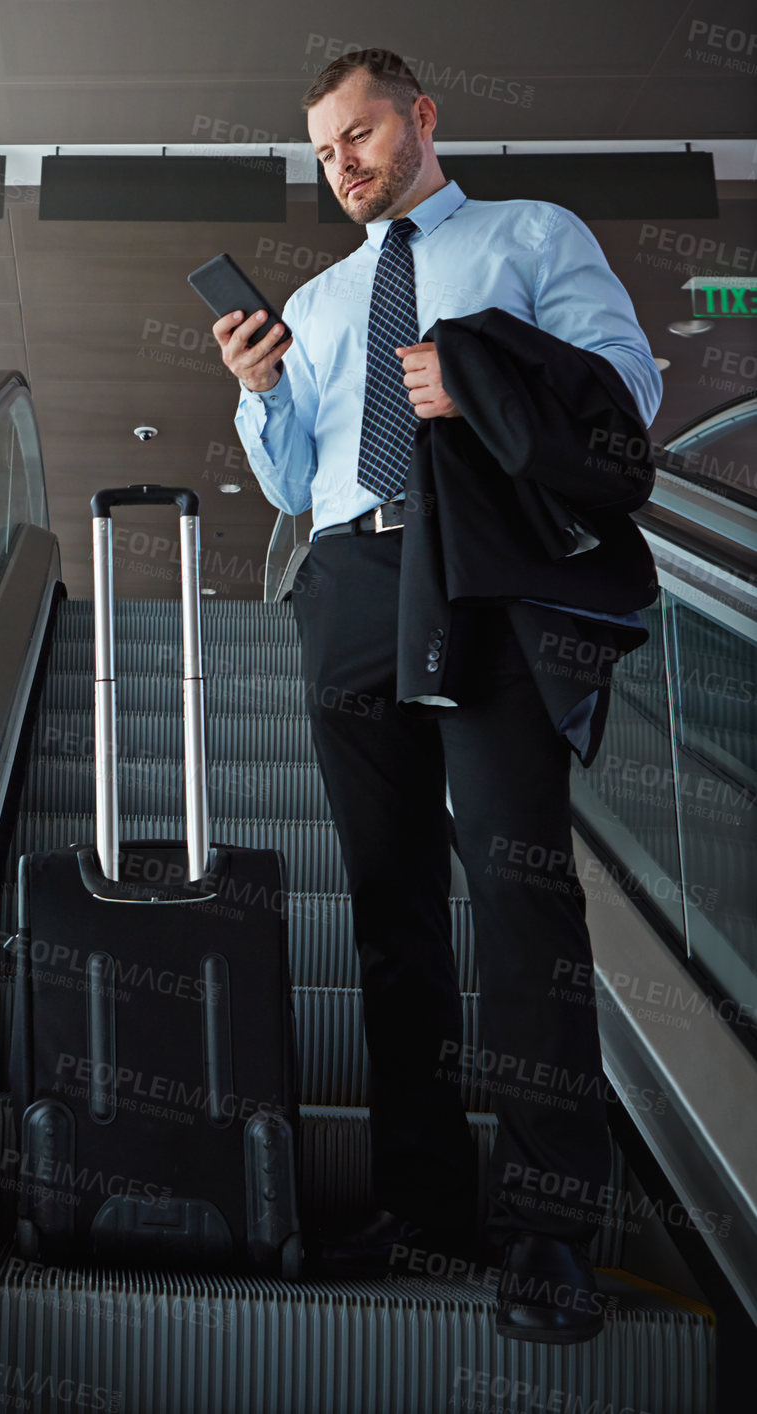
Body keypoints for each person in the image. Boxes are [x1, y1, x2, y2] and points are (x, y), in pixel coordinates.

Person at [212, 47, 661, 1345]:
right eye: (321, 151)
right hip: (348, 585)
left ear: (418, 118)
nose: (340, 164)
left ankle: (547, 1232)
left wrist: (481, 384)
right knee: (387, 908)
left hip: (479, 574)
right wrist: (258, 394)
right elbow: (296, 484)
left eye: (356, 135)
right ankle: (420, 1201)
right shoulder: (324, 292)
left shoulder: (529, 234)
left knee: (520, 897)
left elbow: (623, 394)